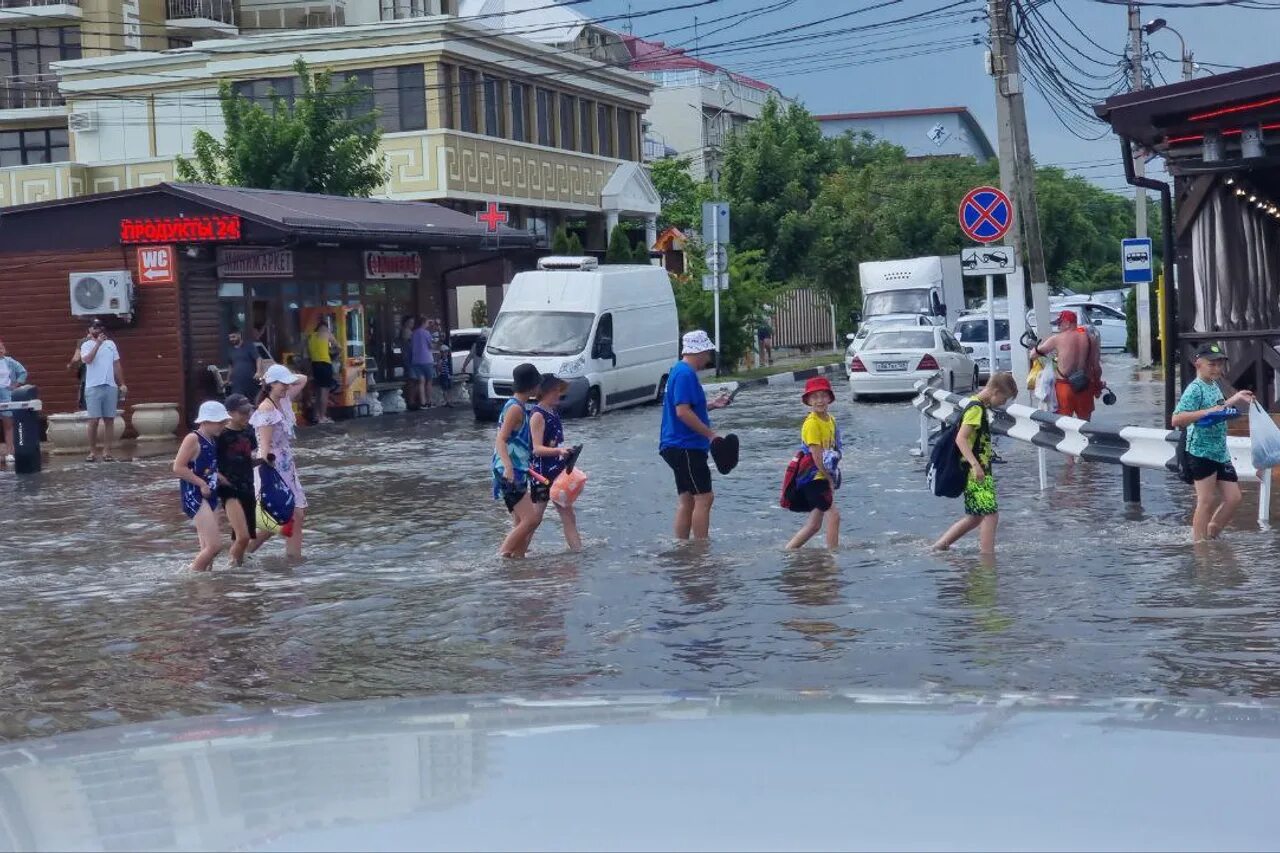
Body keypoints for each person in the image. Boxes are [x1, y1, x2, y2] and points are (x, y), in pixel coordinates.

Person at [1172, 343, 1255, 543]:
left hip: (1220, 451)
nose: (1217, 369)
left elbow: (1217, 407)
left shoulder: (1214, 384)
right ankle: (1199, 546)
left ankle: (1212, 533)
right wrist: (1207, 412)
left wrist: (1234, 399)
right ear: (1198, 364)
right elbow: (1176, 419)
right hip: (1200, 451)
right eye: (1212, 365)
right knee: (1206, 500)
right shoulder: (1194, 389)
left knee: (1234, 497)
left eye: (1220, 364)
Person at [933, 372, 1019, 555]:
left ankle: (940, 546)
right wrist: (975, 465)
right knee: (991, 515)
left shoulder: (975, 404)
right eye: (1004, 398)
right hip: (976, 473)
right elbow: (961, 439)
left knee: (975, 517)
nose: (1004, 403)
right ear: (995, 391)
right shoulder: (976, 410)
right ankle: (987, 557)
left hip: (975, 471)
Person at [659, 330, 732, 540]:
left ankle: (683, 548)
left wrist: (712, 405)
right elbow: (682, 412)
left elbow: (685, 408)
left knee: (688, 499)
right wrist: (711, 435)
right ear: (699, 351)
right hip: (686, 446)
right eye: (707, 352)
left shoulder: (678, 370)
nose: (708, 357)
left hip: (675, 445)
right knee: (704, 498)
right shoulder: (685, 374)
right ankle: (701, 551)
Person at [252, 363, 310, 559]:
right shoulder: (266, 408)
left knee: (297, 514)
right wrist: (265, 476)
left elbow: (302, 379)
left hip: (287, 464)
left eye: (287, 384)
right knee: (278, 519)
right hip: (273, 465)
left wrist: (274, 374)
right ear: (270, 384)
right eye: (282, 384)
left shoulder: (283, 401)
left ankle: (294, 559)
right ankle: (240, 553)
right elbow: (264, 446)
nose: (286, 387)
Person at [785, 376, 842, 550]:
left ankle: (789, 551)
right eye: (815, 397)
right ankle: (833, 556)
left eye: (823, 396)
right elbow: (817, 457)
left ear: (829, 398)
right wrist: (829, 479)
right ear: (808, 401)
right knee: (834, 516)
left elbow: (833, 448)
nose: (819, 400)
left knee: (814, 525)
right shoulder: (811, 424)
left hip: (822, 475)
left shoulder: (831, 420)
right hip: (813, 477)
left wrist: (832, 474)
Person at [173, 400, 230, 572]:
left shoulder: (212, 440)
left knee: (207, 549)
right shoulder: (193, 439)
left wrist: (219, 477)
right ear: (205, 421)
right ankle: (192, 576)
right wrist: (202, 483)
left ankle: (206, 588)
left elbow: (206, 465)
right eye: (219, 422)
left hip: (210, 494)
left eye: (223, 422)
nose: (222, 425)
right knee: (214, 546)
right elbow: (178, 467)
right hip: (195, 495)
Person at [493, 363, 542, 559]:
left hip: (517, 470)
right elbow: (501, 439)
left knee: (520, 521)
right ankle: (501, 557)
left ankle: (518, 562)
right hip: (509, 472)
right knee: (531, 520)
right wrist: (508, 467)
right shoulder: (515, 409)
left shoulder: (518, 406)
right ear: (532, 386)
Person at [529, 373, 582, 552]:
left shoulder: (553, 413)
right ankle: (514, 554)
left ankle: (578, 554)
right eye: (556, 391)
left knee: (568, 515)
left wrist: (564, 453)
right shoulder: (538, 415)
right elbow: (536, 449)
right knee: (534, 520)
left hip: (557, 473)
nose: (559, 394)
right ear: (545, 392)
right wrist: (559, 451)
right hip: (542, 475)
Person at [1029, 309, 1104, 420]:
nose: (1058, 327)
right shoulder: (1090, 338)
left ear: (1067, 323)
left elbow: (1033, 355)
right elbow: (1096, 367)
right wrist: (1097, 386)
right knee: (1085, 425)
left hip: (1065, 387)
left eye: (1059, 324)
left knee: (1063, 424)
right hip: (1085, 386)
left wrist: (1034, 350)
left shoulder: (1057, 339)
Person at [216, 394, 264, 565]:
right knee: (243, 537)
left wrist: (264, 461)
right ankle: (230, 570)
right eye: (242, 413)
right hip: (229, 489)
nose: (247, 416)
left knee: (243, 538)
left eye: (248, 412)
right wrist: (217, 476)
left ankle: (239, 575)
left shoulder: (249, 433)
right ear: (229, 413)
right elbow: (207, 461)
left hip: (248, 487)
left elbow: (245, 460)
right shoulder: (220, 436)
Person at [80, 320, 127, 462]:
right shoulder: (86, 345)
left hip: (110, 385)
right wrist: (98, 344)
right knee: (93, 420)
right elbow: (87, 360)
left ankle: (107, 451)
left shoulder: (111, 344)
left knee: (109, 419)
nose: (97, 330)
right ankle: (92, 451)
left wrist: (122, 383)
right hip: (93, 386)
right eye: (94, 327)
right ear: (89, 329)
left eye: (99, 327)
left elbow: (116, 364)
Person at [0, 339, 28, 464]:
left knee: (8, 425)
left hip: (6, 394)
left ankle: (10, 452)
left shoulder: (10, 362)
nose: (0, 350)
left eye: (1, 347)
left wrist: (16, 385)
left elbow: (23, 372)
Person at [307, 320, 337, 424]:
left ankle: (316, 416)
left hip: (315, 365)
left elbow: (307, 352)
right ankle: (322, 417)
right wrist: (333, 355)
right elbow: (338, 347)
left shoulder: (311, 336)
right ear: (326, 327)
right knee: (324, 392)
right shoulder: (327, 334)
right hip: (325, 364)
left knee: (318, 392)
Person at [226, 328, 262, 400]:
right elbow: (230, 366)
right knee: (238, 402)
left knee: (252, 401)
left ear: (239, 335)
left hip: (250, 380)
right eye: (230, 337)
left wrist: (258, 372)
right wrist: (228, 379)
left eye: (233, 337)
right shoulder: (230, 350)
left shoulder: (249, 346)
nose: (231, 339)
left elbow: (258, 359)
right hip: (237, 382)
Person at [409, 317, 435, 410]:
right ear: (424, 322)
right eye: (428, 322)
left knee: (421, 381)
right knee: (429, 381)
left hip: (416, 360)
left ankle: (422, 403)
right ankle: (429, 401)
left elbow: (411, 346)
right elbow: (430, 345)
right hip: (427, 360)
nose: (428, 324)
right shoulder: (426, 333)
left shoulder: (414, 333)